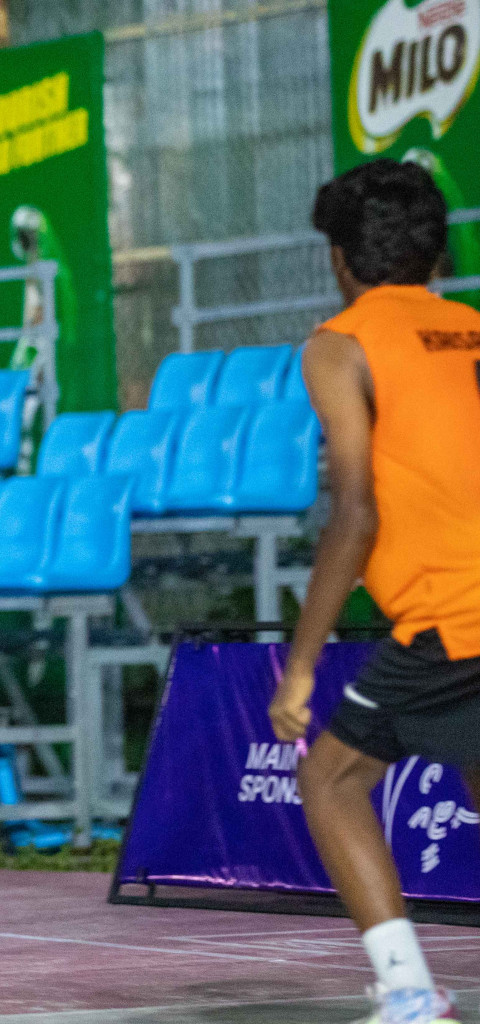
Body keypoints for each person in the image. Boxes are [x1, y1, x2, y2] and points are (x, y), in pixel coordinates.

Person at [269, 159, 475, 1024]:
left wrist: (303, 665)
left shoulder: (338, 344)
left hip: (448, 612)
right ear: (436, 254)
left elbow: (353, 514)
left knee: (330, 781)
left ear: (340, 260)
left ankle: (409, 991)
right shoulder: (469, 325)